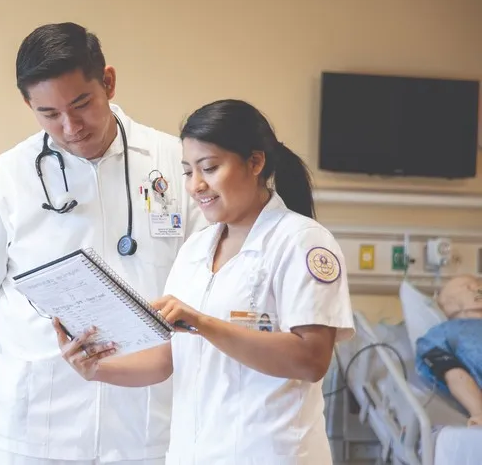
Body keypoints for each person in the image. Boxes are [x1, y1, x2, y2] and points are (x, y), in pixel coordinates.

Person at [0, 22, 206, 465]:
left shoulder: (177, 166)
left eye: (82, 103)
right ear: (29, 104)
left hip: (151, 429)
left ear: (109, 82)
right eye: (49, 113)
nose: (70, 125)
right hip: (30, 429)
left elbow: (206, 296)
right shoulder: (5, 179)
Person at [57, 99, 355, 464]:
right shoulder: (197, 248)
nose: (196, 185)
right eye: (187, 171)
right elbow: (169, 359)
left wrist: (202, 323)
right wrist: (97, 369)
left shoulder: (302, 241)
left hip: (269, 453)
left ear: (256, 162)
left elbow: (311, 359)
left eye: (210, 168)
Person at [416, 274, 482, 427]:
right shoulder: (440, 334)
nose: (478, 288)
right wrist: (478, 411)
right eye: (468, 286)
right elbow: (453, 373)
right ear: (448, 305)